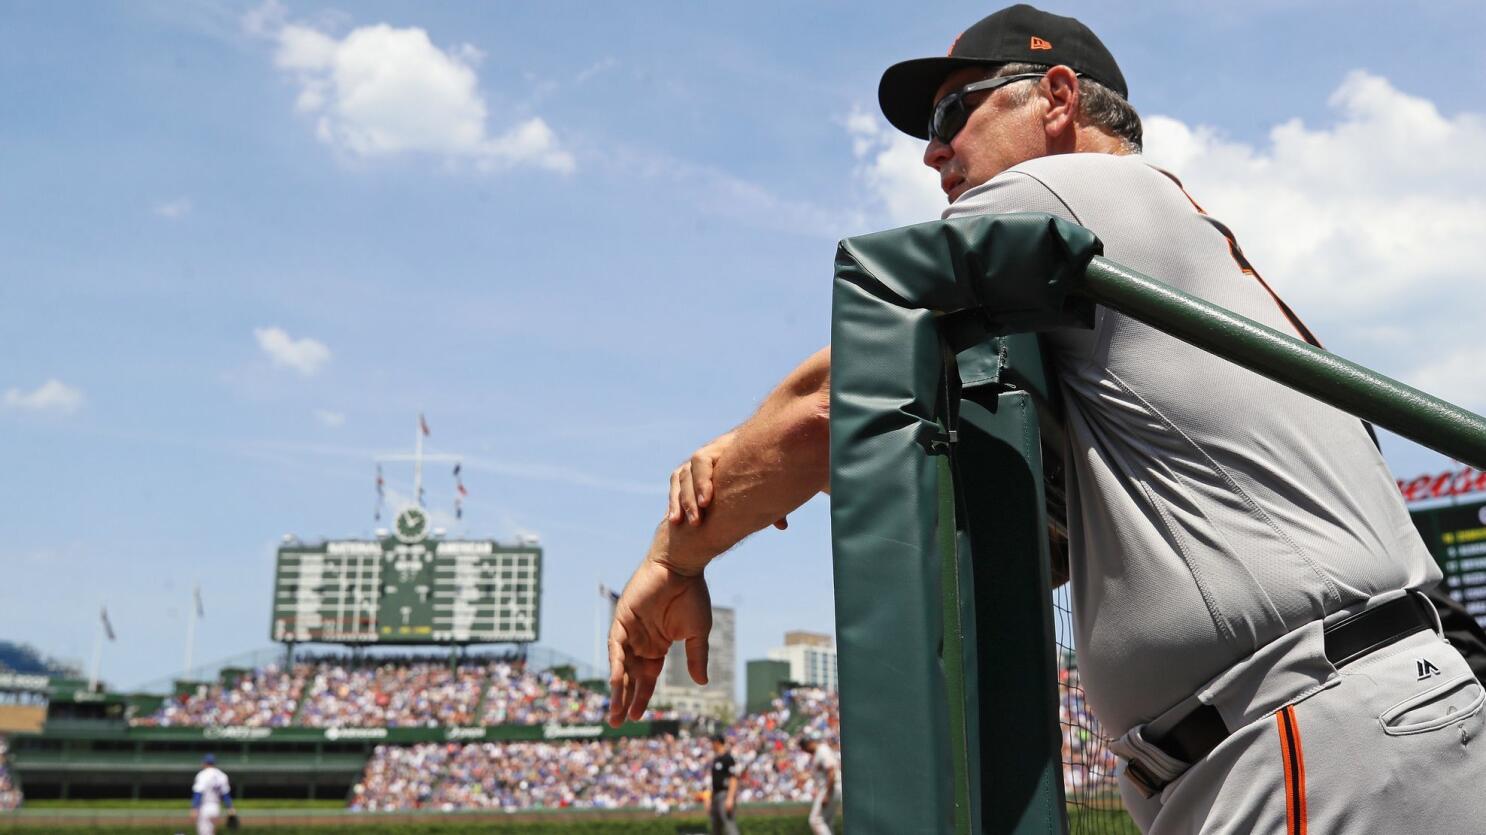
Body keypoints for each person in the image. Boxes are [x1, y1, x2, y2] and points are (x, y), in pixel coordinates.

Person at [608, 4, 1486, 832]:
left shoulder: (1076, 189)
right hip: (1318, 723)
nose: (933, 151)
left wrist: (672, 556)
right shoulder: (1120, 275)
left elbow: (849, 388)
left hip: (1311, 723)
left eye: (954, 111)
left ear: (1058, 99)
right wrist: (740, 453)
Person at [800, 733, 840, 835]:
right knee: (826, 821)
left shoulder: (822, 750)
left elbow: (831, 772)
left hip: (831, 788)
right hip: (831, 788)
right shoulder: (819, 752)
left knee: (815, 820)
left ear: (809, 743)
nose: (806, 751)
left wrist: (827, 793)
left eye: (804, 748)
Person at [190, 753, 236, 835]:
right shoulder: (222, 775)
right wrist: (230, 808)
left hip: (205, 807)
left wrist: (194, 808)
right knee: (211, 832)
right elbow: (226, 795)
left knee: (204, 832)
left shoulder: (202, 775)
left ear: (204, 763)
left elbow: (198, 793)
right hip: (216, 808)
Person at [707, 734, 740, 835]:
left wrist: (730, 798)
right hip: (716, 795)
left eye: (712, 742)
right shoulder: (716, 759)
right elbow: (715, 782)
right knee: (716, 827)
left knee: (729, 825)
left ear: (717, 742)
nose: (711, 745)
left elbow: (733, 778)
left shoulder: (728, 758)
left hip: (725, 795)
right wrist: (711, 800)